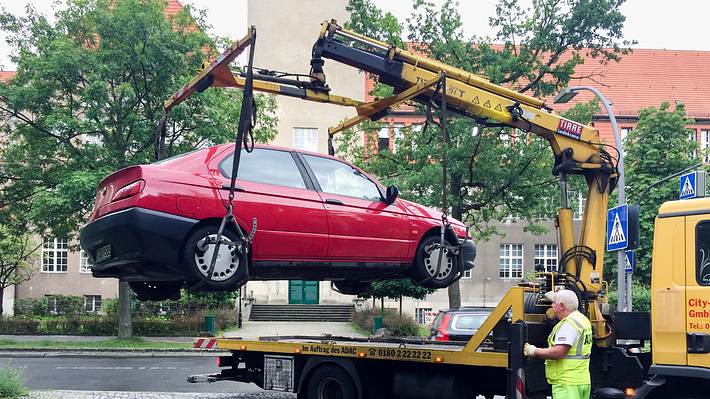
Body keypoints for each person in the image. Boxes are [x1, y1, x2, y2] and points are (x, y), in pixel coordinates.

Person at [524, 289, 593, 399]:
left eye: (554, 303)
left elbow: (558, 352)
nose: (551, 305)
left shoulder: (568, 325)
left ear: (561, 306)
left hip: (566, 383)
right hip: (581, 381)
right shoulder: (582, 319)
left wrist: (534, 351)